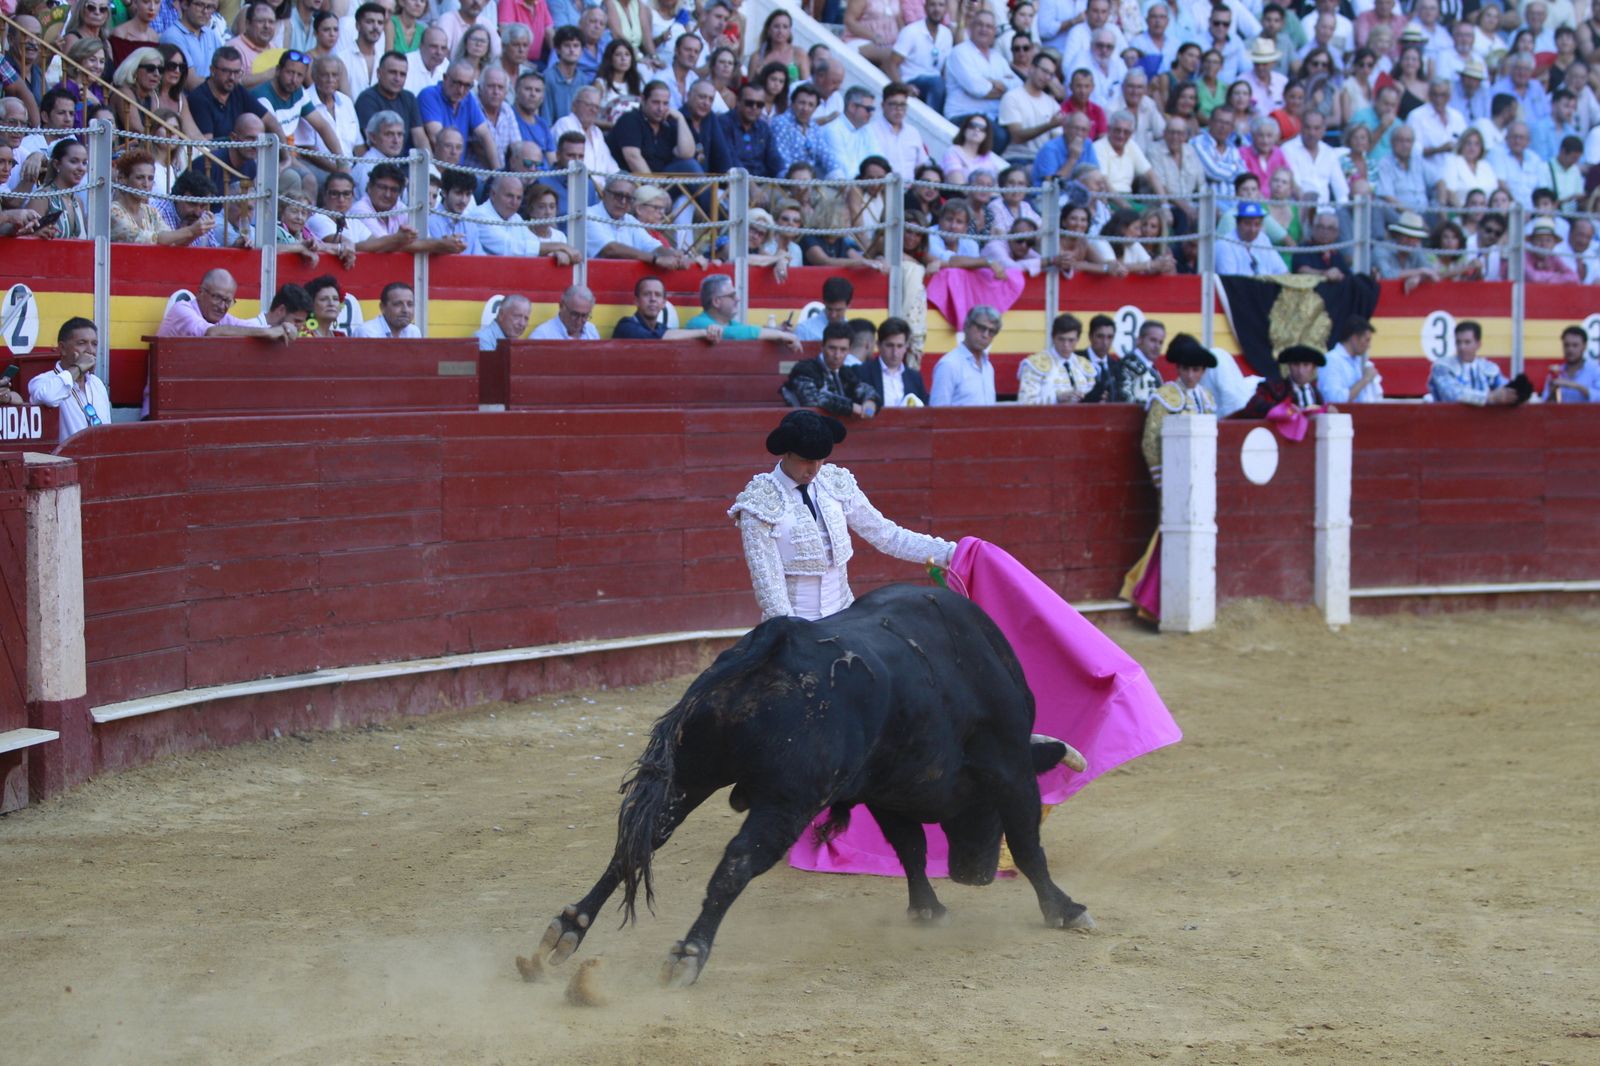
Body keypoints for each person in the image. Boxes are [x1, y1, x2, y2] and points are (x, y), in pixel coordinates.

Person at [728, 409, 956, 622]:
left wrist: (950, 554)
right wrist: (793, 637)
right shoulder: (758, 503)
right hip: (793, 624)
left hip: (845, 620)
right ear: (786, 453)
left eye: (821, 459)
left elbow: (887, 535)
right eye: (806, 460)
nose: (815, 469)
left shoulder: (834, 483)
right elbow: (769, 587)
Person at [1140, 333, 1216, 488]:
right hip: (1173, 473)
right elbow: (1150, 442)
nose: (1190, 375)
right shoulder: (1165, 396)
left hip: (1202, 474)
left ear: (1203, 371)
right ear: (1178, 368)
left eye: (1196, 370)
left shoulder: (1207, 398)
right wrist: (1162, 480)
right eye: (1185, 369)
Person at [156, 269, 299, 343]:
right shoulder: (182, 309)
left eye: (228, 301)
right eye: (217, 297)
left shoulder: (221, 319)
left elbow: (248, 327)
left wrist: (284, 329)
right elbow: (211, 333)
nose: (222, 306)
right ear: (200, 292)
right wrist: (267, 333)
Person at [27, 318, 111, 443]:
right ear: (62, 348)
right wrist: (78, 367)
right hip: (66, 460)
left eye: (94, 344)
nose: (90, 350)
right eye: (82, 343)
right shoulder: (43, 380)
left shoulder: (97, 383)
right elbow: (49, 397)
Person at [585, 172, 690, 266]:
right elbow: (610, 249)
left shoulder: (629, 220)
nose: (623, 201)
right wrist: (655, 259)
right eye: (618, 195)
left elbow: (653, 246)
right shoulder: (589, 215)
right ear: (604, 194)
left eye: (628, 198)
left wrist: (674, 256)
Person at [784, 322, 880, 417]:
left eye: (843, 350)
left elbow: (865, 390)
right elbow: (812, 399)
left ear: (849, 350)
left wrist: (870, 401)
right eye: (832, 348)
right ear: (822, 347)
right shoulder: (805, 370)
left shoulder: (845, 373)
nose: (837, 355)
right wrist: (851, 407)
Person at [685, 275, 802, 348]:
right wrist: (780, 335)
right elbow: (732, 333)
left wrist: (776, 331)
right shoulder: (697, 324)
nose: (738, 299)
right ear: (716, 301)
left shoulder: (731, 324)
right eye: (732, 295)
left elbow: (744, 330)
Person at [1428, 319, 1521, 406]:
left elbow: (1505, 389)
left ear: (1478, 344)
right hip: (1448, 421)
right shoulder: (1442, 367)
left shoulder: (1487, 368)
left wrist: (1514, 393)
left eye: (1467, 342)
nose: (1462, 347)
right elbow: (1452, 395)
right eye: (1458, 342)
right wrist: (1490, 397)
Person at [928, 306, 1001, 406]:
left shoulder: (988, 367)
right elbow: (938, 412)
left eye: (991, 331)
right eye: (981, 328)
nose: (985, 335)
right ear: (966, 326)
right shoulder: (949, 365)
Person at [611, 276, 724, 341]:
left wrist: (710, 335)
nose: (653, 299)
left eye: (658, 295)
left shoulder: (661, 328)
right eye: (646, 294)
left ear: (663, 303)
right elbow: (656, 338)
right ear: (636, 301)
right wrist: (703, 332)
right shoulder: (626, 326)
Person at [1018, 313, 1095, 405]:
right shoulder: (1035, 364)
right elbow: (1025, 403)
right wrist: (1056, 398)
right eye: (1061, 339)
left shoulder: (1084, 365)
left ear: (1078, 339)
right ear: (1053, 338)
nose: (1066, 345)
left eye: (1071, 340)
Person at [854, 318, 927, 409]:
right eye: (889, 345)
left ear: (906, 346)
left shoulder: (914, 377)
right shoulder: (862, 373)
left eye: (899, 346)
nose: (895, 352)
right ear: (879, 345)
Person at [1236, 344, 1325, 418]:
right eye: (1296, 364)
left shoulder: (1316, 393)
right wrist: (1283, 410)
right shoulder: (1273, 388)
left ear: (1313, 368)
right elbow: (1252, 407)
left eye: (1306, 365)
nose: (1300, 370)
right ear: (1289, 366)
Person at [1105, 318, 1167, 406]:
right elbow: (1124, 404)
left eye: (1160, 342)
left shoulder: (1152, 369)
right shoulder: (1127, 366)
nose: (1157, 346)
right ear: (1139, 340)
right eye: (1153, 340)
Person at [1215, 201, 1286, 275]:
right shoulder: (1224, 245)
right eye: (1247, 224)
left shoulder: (1263, 239)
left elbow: (1282, 272)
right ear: (1237, 223)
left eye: (1257, 224)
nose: (1253, 229)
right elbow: (1229, 282)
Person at [1321, 317, 1381, 404]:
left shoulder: (1358, 361)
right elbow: (1335, 400)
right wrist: (1365, 379)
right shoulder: (1332, 360)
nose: (1369, 346)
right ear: (1354, 338)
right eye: (1366, 340)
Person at [1543, 325, 1600, 403]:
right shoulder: (1555, 373)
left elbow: (1598, 397)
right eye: (1567, 345)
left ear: (1584, 346)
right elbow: (1545, 406)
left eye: (1575, 345)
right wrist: (1552, 392)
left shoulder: (1595, 371)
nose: (1570, 349)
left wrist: (1573, 385)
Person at [529, 285, 601, 340]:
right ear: (561, 306)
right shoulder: (542, 335)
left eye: (584, 316)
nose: (579, 321)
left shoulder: (591, 330)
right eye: (574, 314)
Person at [352, 282, 421, 338]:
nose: (405, 310)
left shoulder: (414, 332)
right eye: (397, 304)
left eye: (410, 304)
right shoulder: (366, 333)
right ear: (382, 307)